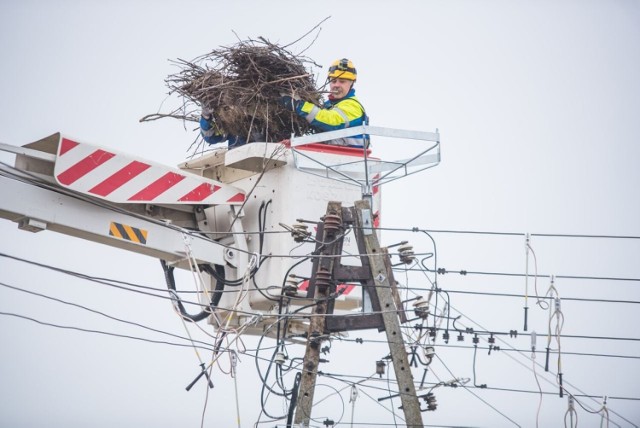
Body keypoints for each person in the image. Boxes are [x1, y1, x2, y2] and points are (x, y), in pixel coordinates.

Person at [279, 58, 369, 148]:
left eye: (342, 81)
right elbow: (324, 138)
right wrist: (297, 142)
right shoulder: (329, 106)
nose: (336, 85)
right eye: (333, 81)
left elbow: (331, 121)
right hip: (331, 156)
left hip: (350, 158)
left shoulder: (353, 106)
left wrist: (299, 105)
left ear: (351, 83)